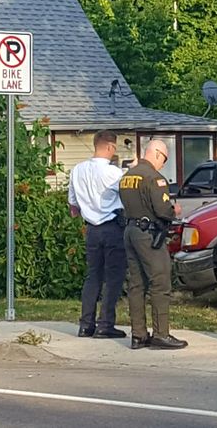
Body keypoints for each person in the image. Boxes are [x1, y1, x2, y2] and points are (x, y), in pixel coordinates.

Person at [117, 140, 188, 350]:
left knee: (136, 284)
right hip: (149, 234)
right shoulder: (154, 178)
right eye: (164, 159)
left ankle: (138, 335)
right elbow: (162, 210)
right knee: (160, 282)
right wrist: (174, 210)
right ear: (157, 154)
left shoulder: (127, 177)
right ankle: (161, 334)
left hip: (130, 230)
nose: (163, 165)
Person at [67, 130, 127, 339]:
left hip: (91, 229)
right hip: (112, 226)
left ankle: (86, 324)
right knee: (113, 277)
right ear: (110, 147)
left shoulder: (77, 170)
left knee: (93, 275)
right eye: (115, 147)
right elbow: (128, 197)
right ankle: (105, 324)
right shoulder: (114, 173)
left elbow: (73, 206)